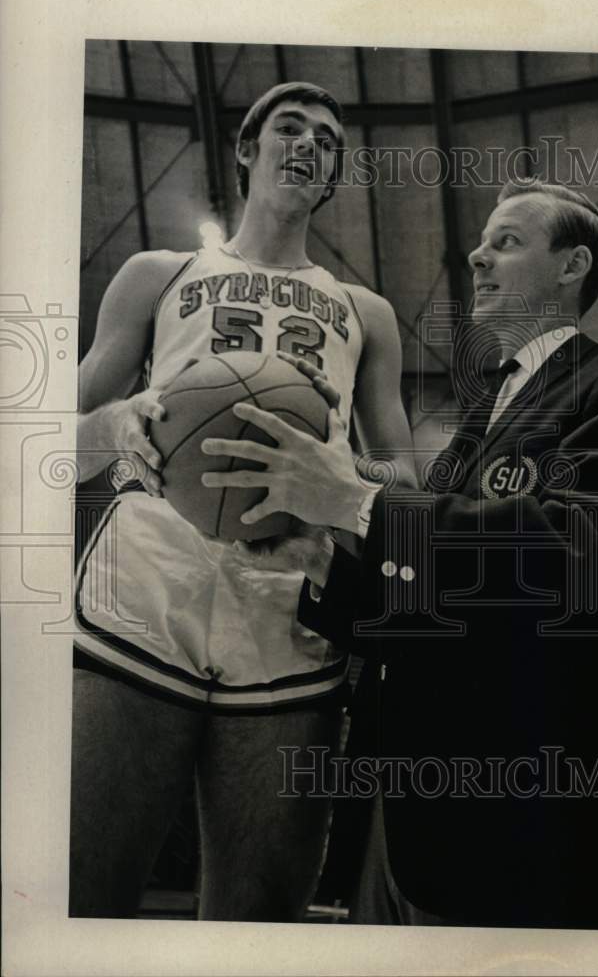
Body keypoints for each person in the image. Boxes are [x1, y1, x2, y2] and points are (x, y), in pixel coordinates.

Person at [202, 177, 598, 929]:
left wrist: (355, 500)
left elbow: (577, 554)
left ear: (571, 267)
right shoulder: (472, 431)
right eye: (481, 242)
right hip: (398, 821)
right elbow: (431, 616)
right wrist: (322, 565)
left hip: (526, 825)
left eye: (507, 240)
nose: (476, 254)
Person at [71, 81, 416, 920]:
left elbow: (406, 482)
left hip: (290, 596)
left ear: (333, 171)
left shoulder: (364, 312)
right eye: (290, 128)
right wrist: (120, 424)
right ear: (247, 148)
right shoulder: (160, 274)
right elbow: (43, 438)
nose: (309, 144)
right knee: (83, 890)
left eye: (328, 139)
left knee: (260, 916)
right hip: (150, 577)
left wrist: (336, 486)